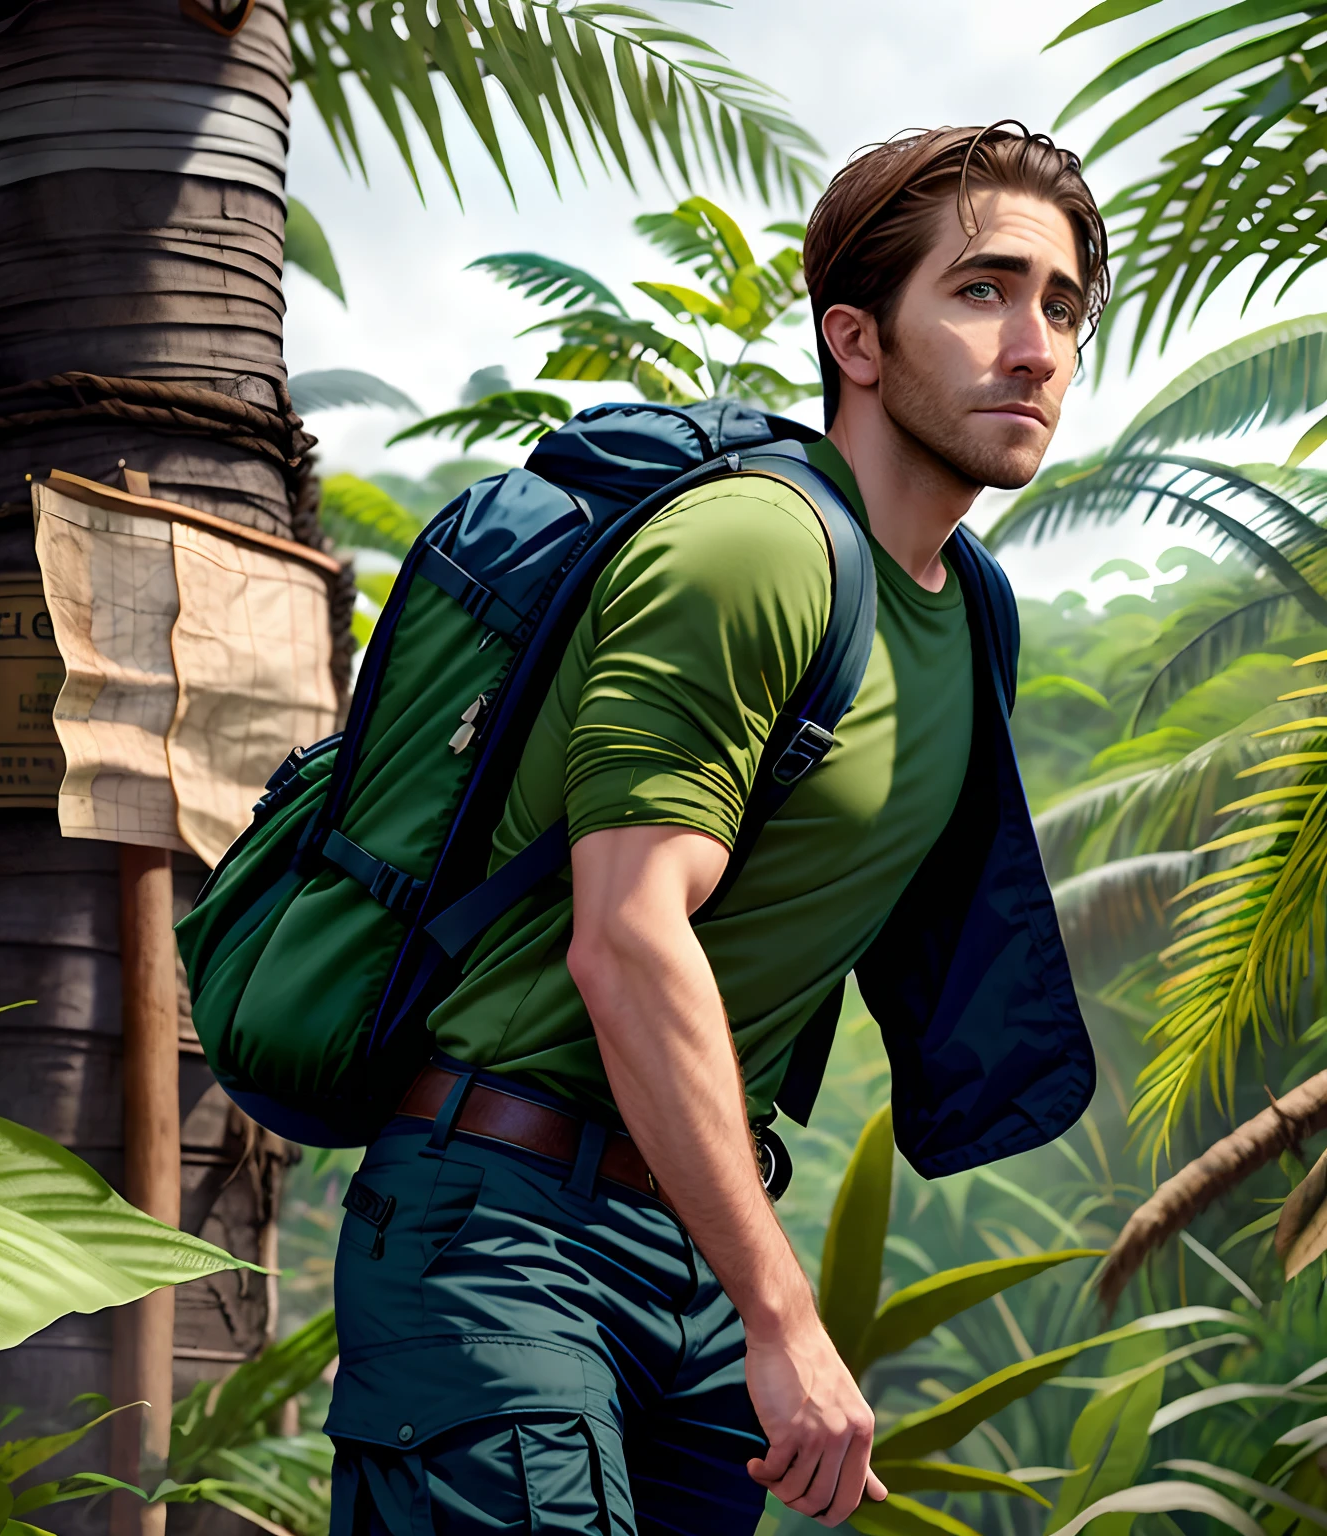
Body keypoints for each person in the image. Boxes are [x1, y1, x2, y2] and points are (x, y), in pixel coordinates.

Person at [323, 123, 1108, 1535]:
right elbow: (626, 938)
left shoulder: (967, 608)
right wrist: (785, 1310)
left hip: (688, 1234)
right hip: (497, 1230)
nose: (1037, 344)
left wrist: (738, 1283)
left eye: (1062, 305)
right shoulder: (754, 548)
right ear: (856, 342)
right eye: (984, 290)